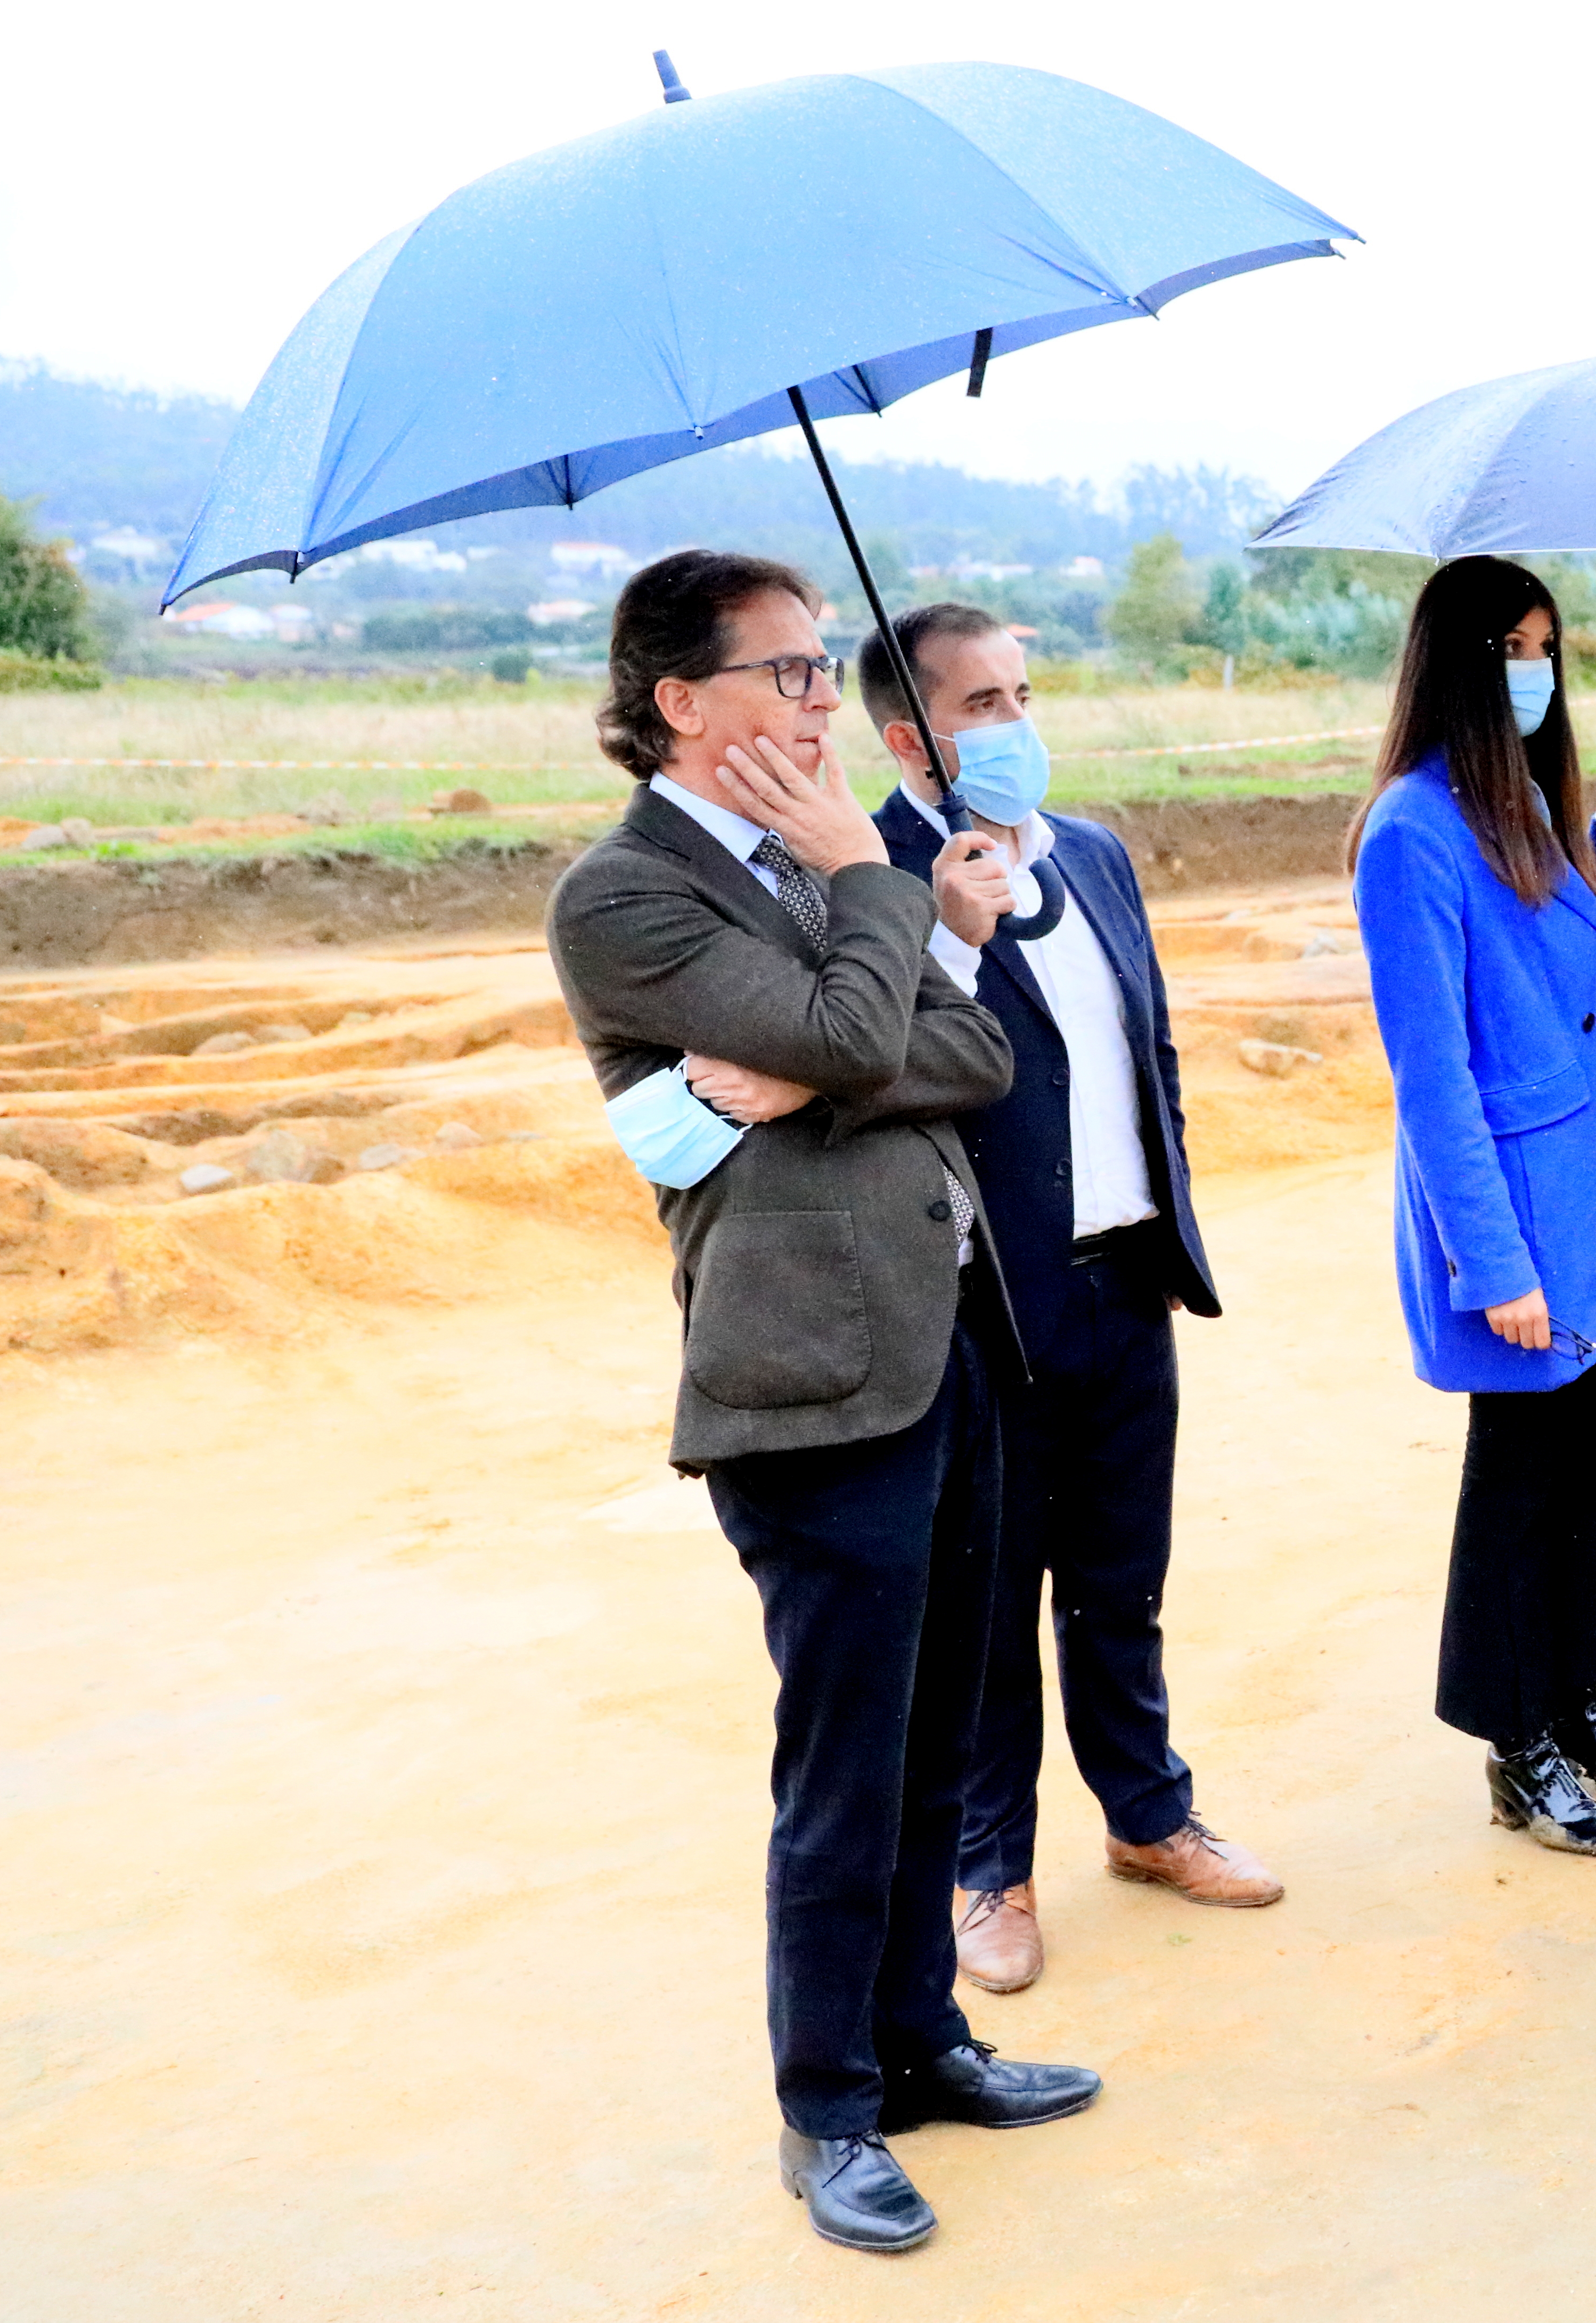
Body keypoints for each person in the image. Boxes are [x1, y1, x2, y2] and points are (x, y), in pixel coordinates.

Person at [545, 551, 1099, 2256]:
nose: (813, 702)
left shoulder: (800, 868)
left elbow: (970, 1056)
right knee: (846, 1767)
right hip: (806, 1383)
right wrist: (877, 887)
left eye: (813, 674)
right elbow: (883, 1027)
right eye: (783, 676)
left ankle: (922, 2040)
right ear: (676, 705)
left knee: (943, 1732)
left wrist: (827, 1045)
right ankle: (828, 2110)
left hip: (946, 1345)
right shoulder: (624, 899)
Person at [855, 601, 1281, 2005]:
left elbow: (1141, 1049)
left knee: (1122, 1579)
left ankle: (1150, 1817)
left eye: (1024, 693)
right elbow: (880, 1074)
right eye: (983, 704)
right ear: (910, 736)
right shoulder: (871, 881)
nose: (1018, 723)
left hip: (1124, 1278)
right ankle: (992, 1870)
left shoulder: (1091, 855)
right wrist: (946, 929)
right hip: (983, 1311)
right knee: (987, 1607)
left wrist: (1164, 1225)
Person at [1351, 555, 1596, 1856]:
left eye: (1549, 642)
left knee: (1573, 1474)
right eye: (1514, 646)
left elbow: (1566, 925)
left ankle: (1574, 1694)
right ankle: (1515, 1742)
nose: (1539, 668)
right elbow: (1433, 1080)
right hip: (1520, 1227)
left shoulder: (1516, 806)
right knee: (1517, 1487)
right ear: (1461, 663)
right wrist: (1492, 1263)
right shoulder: (1412, 832)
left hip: (1583, 1202)